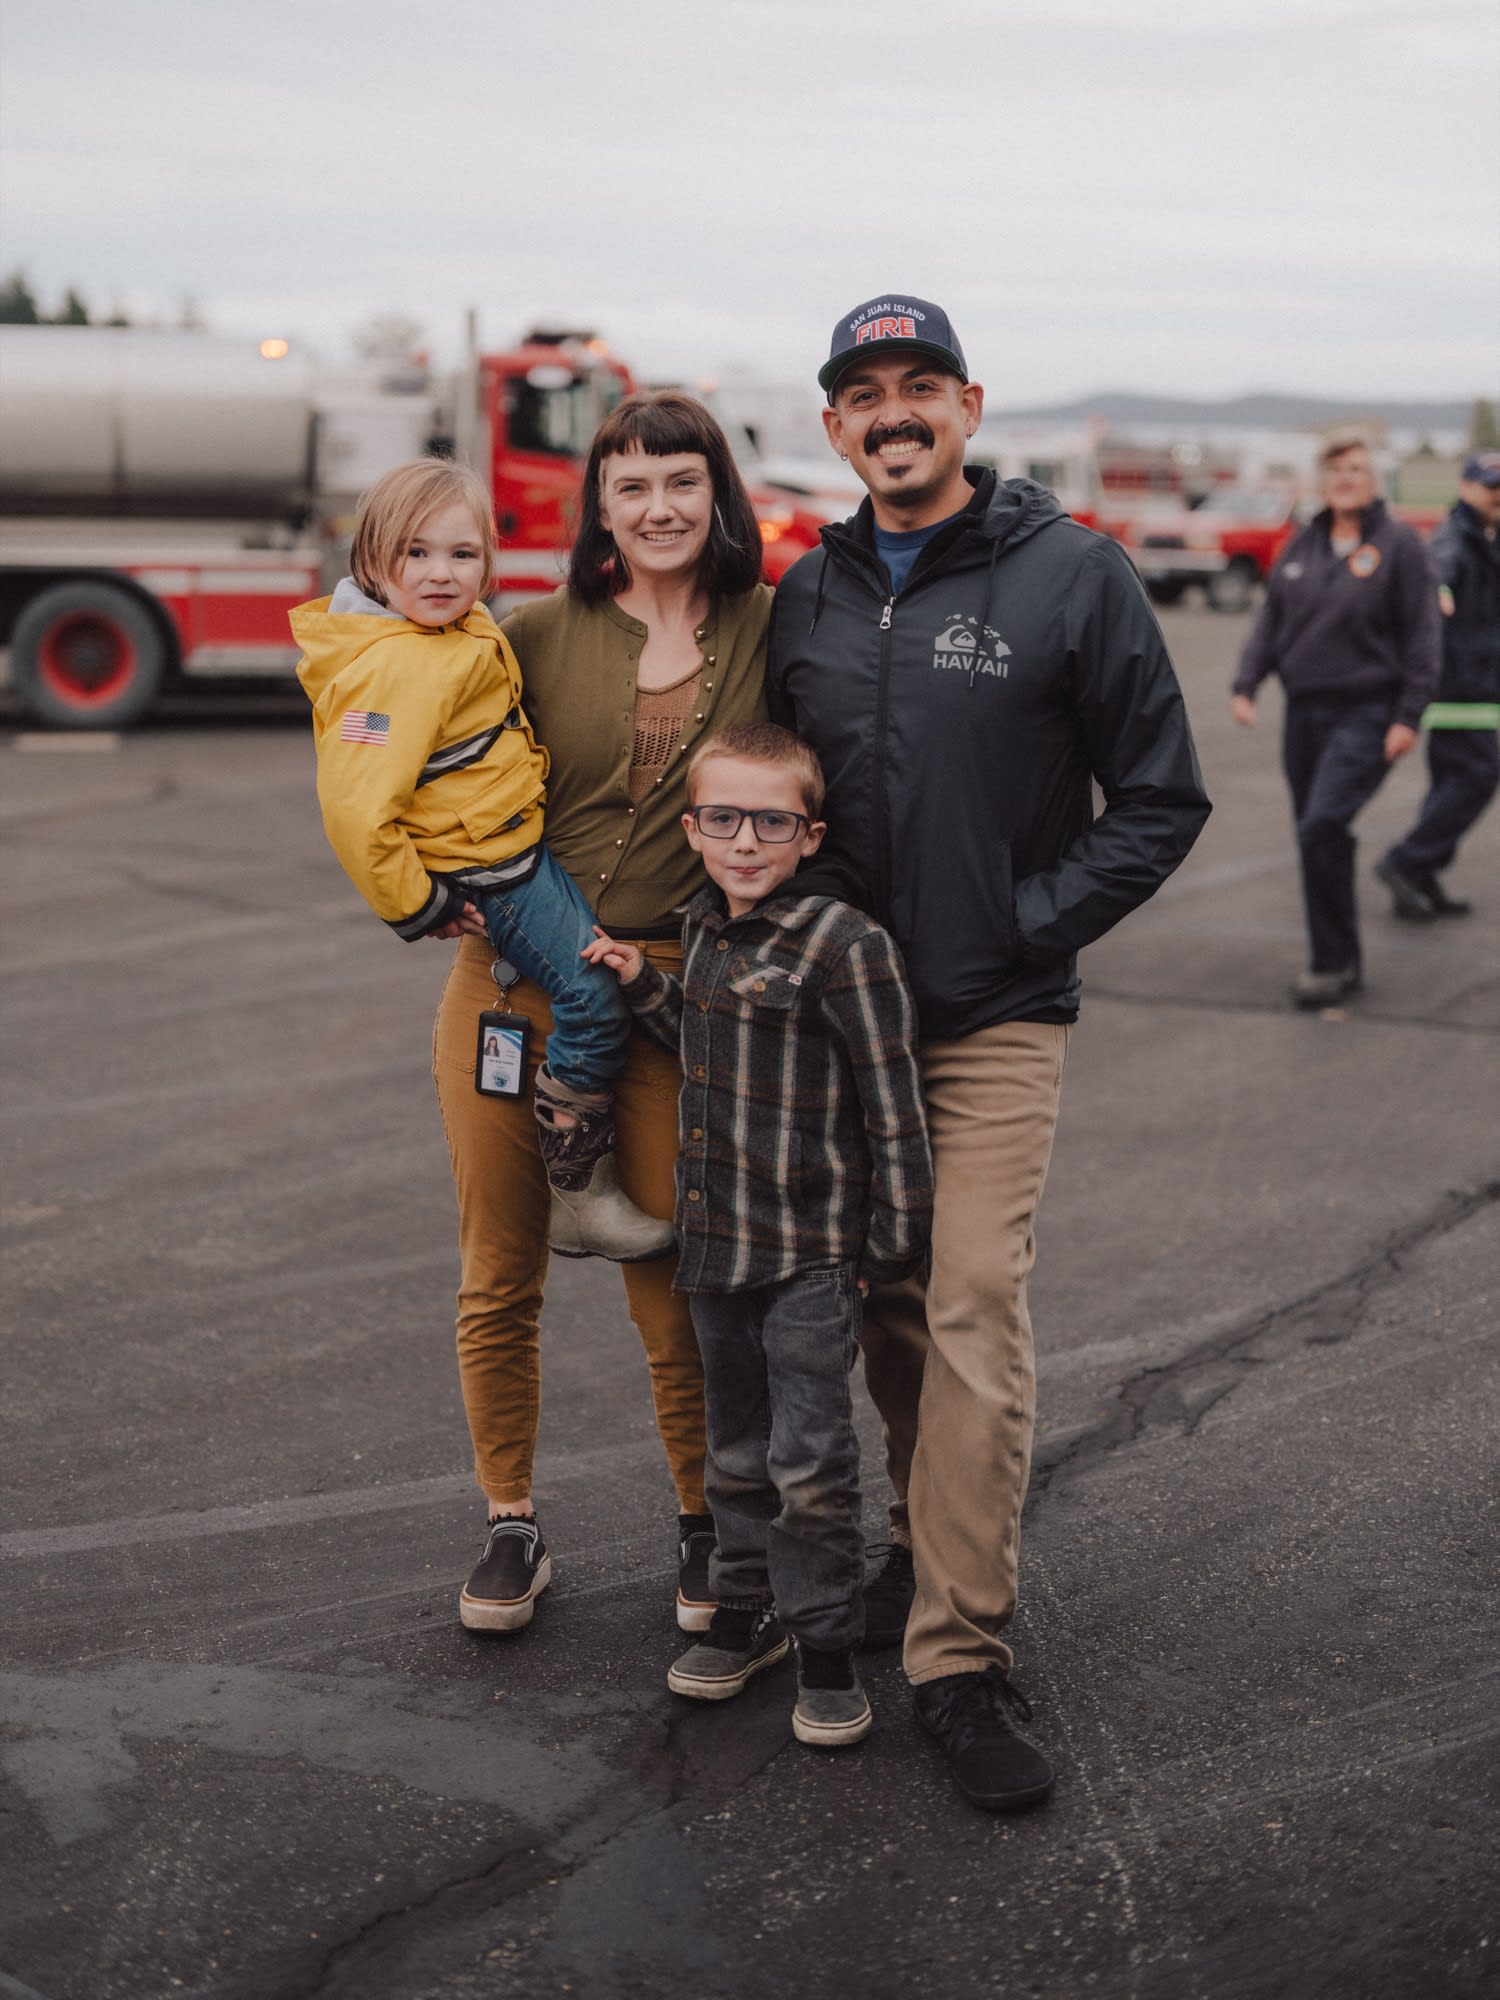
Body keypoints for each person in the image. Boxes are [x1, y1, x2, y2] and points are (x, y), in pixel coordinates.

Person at [766, 294, 1210, 1809]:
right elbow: (769, 792)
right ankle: (920, 1542)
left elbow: (1162, 797)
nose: (892, 413)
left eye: (918, 386)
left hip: (997, 1018)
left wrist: (1029, 923)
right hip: (848, 1030)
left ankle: (959, 1655)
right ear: (834, 428)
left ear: (967, 404)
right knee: (888, 1308)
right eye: (862, 393)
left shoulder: (1073, 575)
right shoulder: (805, 593)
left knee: (967, 1302)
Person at [429, 394, 770, 1636]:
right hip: (507, 996)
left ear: (717, 494)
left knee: (667, 1268)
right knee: (496, 1272)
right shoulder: (525, 633)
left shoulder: (771, 630)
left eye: (682, 482)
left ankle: (705, 1521)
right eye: (631, 487)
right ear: (600, 508)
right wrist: (432, 891)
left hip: (670, 1000)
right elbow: (411, 757)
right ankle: (510, 1520)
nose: (659, 507)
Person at [584, 722, 933, 1751]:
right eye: (724, 818)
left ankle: (826, 1644)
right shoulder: (699, 931)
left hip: (811, 1255)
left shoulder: (843, 944)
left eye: (771, 820)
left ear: (808, 832)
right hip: (716, 1247)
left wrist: (892, 1240)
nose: (746, 840)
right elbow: (703, 1037)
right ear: (692, 829)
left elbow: (894, 1103)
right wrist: (642, 985)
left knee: (811, 1458)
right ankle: (743, 1613)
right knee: (731, 1448)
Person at [293, 458, 670, 1263]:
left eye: (462, 555)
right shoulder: (390, 666)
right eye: (416, 554)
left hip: (513, 844)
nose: (441, 574)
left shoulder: (455, 632)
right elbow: (358, 809)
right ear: (372, 562)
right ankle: (578, 1189)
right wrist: (419, 903)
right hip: (491, 870)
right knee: (593, 990)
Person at [1230, 430, 1441, 1006]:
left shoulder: (1400, 545)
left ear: (1374, 480)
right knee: (1316, 836)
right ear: (1323, 481)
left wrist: (1408, 716)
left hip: (1367, 714)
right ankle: (1341, 957)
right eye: (1336, 469)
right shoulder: (1302, 545)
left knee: (1323, 823)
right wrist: (1247, 684)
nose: (1346, 478)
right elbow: (1271, 623)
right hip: (1305, 715)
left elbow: (1424, 636)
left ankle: (1330, 964)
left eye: (1356, 469)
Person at [1375, 449, 1500, 920]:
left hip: (1479, 686)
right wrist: (1439, 595)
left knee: (1451, 781)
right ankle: (1406, 861)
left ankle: (1421, 878)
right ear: (1465, 487)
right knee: (1478, 777)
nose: (1498, 495)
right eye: (1491, 486)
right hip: (1456, 688)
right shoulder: (1456, 538)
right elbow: (1435, 581)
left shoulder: (1488, 536)